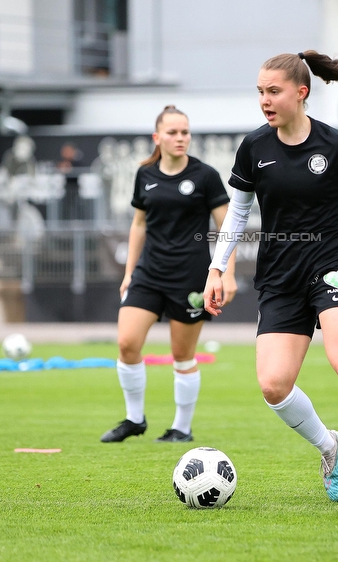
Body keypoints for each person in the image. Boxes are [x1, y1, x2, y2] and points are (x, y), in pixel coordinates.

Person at [203, 46, 338, 504]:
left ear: (301, 91)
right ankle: (330, 445)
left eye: (273, 91)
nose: (265, 100)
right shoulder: (254, 147)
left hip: (332, 266)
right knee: (274, 385)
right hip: (279, 275)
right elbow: (236, 216)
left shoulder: (335, 145)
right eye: (259, 92)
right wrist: (217, 269)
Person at [101, 106, 237, 444]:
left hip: (190, 278)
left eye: (185, 132)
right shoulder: (144, 174)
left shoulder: (205, 176)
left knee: (182, 355)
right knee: (127, 343)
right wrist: (129, 272)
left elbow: (228, 227)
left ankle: (182, 428)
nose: (180, 138)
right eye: (173, 132)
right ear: (157, 137)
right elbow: (138, 224)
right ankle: (134, 419)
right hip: (148, 274)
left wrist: (226, 274)